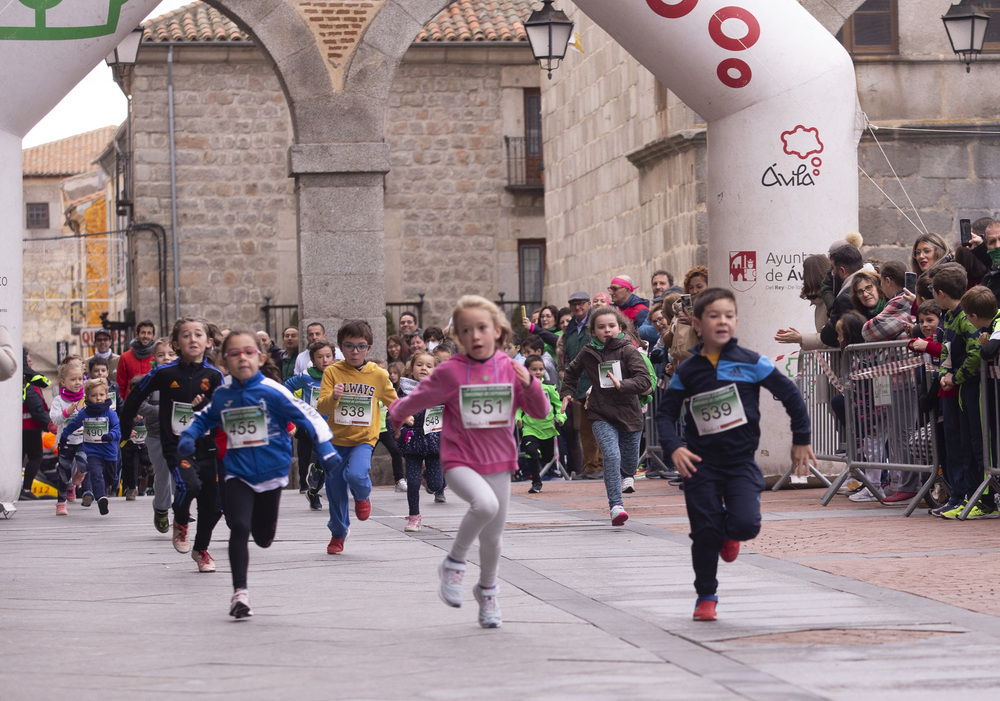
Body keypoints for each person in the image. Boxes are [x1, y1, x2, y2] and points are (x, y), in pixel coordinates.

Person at [389, 295, 548, 629]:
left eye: (482, 328)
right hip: (459, 458)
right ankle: (454, 562)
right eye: (466, 330)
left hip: (499, 460)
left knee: (493, 538)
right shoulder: (450, 372)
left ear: (498, 332)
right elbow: (420, 396)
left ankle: (487, 591)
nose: (475, 336)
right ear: (458, 337)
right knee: (484, 504)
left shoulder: (510, 369)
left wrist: (530, 383)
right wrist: (397, 413)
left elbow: (540, 412)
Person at [656, 288, 815, 622]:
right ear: (698, 324)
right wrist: (675, 447)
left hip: (740, 461)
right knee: (704, 531)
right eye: (714, 316)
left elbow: (791, 396)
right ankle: (706, 595)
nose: (722, 321)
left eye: (728, 315)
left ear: (736, 321)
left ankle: (730, 533)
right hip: (699, 463)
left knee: (745, 524)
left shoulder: (751, 361)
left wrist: (801, 439)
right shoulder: (688, 370)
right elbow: (664, 414)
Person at [179, 329, 340, 619]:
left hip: (272, 472)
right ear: (224, 362)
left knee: (263, 538)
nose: (242, 358)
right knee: (239, 527)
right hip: (237, 471)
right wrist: (190, 434)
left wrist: (326, 447)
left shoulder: (273, 391)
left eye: (248, 352)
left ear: (261, 357)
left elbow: (309, 415)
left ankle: (266, 525)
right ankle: (240, 594)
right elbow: (205, 416)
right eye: (234, 354)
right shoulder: (224, 394)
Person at [120, 318, 225, 571]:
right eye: (186, 336)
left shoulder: (214, 375)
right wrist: (125, 431)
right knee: (189, 485)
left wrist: (205, 407)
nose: (192, 339)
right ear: (176, 344)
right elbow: (133, 398)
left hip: (207, 445)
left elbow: (224, 410)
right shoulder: (164, 372)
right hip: (176, 444)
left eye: (198, 335)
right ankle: (180, 521)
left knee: (215, 505)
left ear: (208, 342)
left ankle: (201, 550)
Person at [561, 306, 651, 525]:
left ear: (620, 328)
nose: (607, 330)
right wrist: (567, 393)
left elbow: (645, 380)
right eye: (601, 327)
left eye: (611, 326)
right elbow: (571, 371)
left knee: (628, 464)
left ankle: (626, 475)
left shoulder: (628, 350)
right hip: (601, 413)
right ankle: (616, 506)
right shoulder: (589, 351)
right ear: (593, 331)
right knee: (611, 455)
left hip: (630, 414)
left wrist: (623, 384)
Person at [316, 319, 398, 555]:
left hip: (363, 439)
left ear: (369, 348)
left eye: (361, 346)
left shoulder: (378, 375)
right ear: (340, 348)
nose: (355, 351)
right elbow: (322, 408)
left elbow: (394, 402)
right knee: (335, 491)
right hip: (335, 441)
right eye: (349, 346)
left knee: (356, 474)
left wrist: (406, 417)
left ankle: (363, 496)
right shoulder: (332, 371)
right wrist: (333, 397)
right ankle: (338, 534)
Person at [932, 264, 994, 519]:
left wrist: (955, 378)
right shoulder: (950, 317)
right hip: (958, 390)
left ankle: (978, 496)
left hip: (970, 388)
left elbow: (974, 353)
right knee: (962, 443)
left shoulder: (966, 319)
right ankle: (963, 495)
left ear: (940, 293)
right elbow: (947, 348)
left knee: (975, 444)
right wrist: (942, 375)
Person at [285, 340, 337, 510]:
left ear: (333, 357)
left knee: (327, 461)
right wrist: (296, 407)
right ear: (313, 360)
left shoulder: (340, 375)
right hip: (315, 424)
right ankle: (315, 481)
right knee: (324, 455)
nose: (324, 360)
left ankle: (313, 491)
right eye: (320, 357)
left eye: (328, 356)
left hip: (336, 423)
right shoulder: (306, 376)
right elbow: (287, 387)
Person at [396, 351, 444, 532]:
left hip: (435, 442)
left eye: (429, 366)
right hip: (413, 441)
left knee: (436, 485)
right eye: (419, 365)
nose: (424, 368)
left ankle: (431, 477)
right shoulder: (404, 389)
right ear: (411, 369)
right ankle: (414, 516)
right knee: (413, 483)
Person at [59, 377, 120, 516]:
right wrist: (64, 436)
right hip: (93, 451)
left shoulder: (110, 413)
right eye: (93, 395)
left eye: (101, 395)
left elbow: (117, 428)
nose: (98, 398)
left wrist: (111, 435)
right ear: (87, 397)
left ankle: (104, 488)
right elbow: (73, 424)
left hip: (109, 452)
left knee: (112, 478)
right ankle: (101, 498)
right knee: (96, 474)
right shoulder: (84, 413)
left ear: (106, 395)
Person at [560, 291, 603, 479]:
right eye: (574, 304)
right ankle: (590, 466)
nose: (577, 307)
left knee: (600, 426)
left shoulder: (595, 324)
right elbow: (568, 357)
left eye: (581, 304)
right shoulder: (570, 329)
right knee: (584, 428)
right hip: (579, 385)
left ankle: (601, 465)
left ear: (588, 304)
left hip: (596, 384)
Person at [139, 338, 178, 533]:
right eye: (161, 355)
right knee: (163, 473)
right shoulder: (149, 380)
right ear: (154, 358)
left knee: (180, 472)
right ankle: (161, 508)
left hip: (180, 433)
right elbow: (139, 404)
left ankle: (180, 508)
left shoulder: (186, 377)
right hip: (156, 434)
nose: (166, 358)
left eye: (171, 354)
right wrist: (162, 411)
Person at [517, 355, 566, 494]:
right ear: (526, 370)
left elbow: (558, 405)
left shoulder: (550, 387)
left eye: (541, 369)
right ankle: (536, 482)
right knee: (531, 452)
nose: (538, 372)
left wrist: (560, 417)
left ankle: (544, 459)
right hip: (529, 428)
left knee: (547, 457)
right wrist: (517, 419)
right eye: (534, 369)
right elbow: (518, 408)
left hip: (547, 428)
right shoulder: (522, 388)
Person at [50, 358, 89, 510]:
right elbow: (55, 419)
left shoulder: (86, 398)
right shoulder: (59, 400)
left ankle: (79, 475)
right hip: (66, 441)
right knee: (63, 472)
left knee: (86, 464)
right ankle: (61, 502)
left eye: (80, 379)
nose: (77, 382)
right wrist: (67, 412)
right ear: (63, 382)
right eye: (73, 379)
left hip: (83, 440)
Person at [819, 244, 873, 348]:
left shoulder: (845, 298)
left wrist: (827, 325)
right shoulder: (876, 281)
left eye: (834, 268)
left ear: (843, 271)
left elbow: (829, 335)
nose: (832, 273)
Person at [774, 254, 831, 350]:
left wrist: (801, 338)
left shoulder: (830, 301)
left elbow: (832, 337)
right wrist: (800, 337)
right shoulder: (820, 302)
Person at [21, 349, 54, 500]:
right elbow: (37, 408)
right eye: (28, 361)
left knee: (19, 458)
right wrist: (49, 425)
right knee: (35, 457)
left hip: (20, 428)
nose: (31, 364)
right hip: (30, 428)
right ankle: (26, 489)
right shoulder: (29, 384)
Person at [120, 375, 152, 501]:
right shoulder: (127, 406)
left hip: (144, 441)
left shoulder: (150, 405)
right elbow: (122, 421)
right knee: (130, 465)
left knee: (145, 459)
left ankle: (149, 469)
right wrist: (132, 423)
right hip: (129, 442)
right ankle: (132, 488)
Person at [117, 320, 156, 401]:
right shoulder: (125, 357)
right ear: (137, 334)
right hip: (131, 403)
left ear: (153, 336)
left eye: (149, 333)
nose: (146, 336)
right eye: (143, 333)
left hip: (152, 404)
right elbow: (121, 386)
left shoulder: (157, 356)